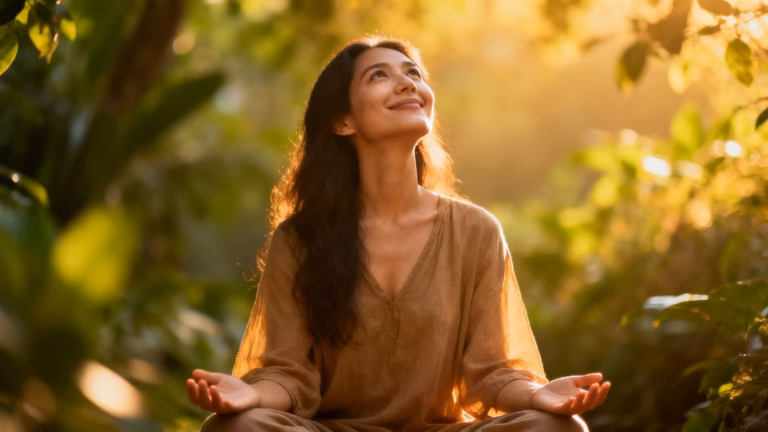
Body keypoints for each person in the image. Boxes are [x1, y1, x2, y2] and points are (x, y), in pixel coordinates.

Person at [186, 36, 610, 431]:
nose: (408, 84)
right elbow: (288, 373)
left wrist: (539, 394)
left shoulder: (476, 231)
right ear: (343, 122)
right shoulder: (299, 240)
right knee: (235, 427)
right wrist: (251, 393)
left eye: (414, 74)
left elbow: (493, 372)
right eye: (380, 75)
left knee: (557, 428)